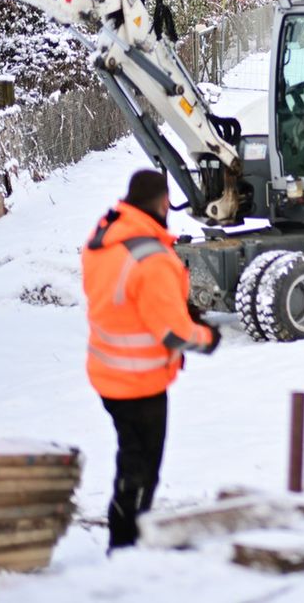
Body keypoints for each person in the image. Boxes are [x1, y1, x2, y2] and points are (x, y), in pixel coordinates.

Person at [82, 170, 219, 552]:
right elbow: (174, 333)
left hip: (107, 371)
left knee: (132, 462)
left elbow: (124, 300)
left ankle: (128, 541)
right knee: (141, 471)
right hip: (138, 381)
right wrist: (208, 337)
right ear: (162, 203)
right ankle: (125, 547)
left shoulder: (106, 239)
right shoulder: (152, 258)